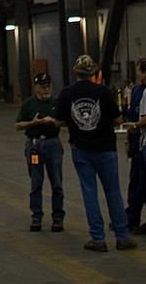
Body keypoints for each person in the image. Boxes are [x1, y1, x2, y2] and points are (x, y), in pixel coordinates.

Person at [54, 54, 136, 252]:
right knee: (113, 192)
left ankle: (98, 239)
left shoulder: (66, 93)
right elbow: (118, 120)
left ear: (76, 72)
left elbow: (58, 121)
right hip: (106, 149)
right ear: (93, 73)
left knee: (89, 193)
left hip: (81, 149)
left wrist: (75, 123)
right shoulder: (104, 92)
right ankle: (122, 237)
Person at [15, 71, 65, 231]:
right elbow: (18, 125)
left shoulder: (56, 103)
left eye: (48, 86)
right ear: (36, 87)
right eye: (43, 87)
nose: (46, 89)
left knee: (57, 183)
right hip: (35, 145)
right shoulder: (29, 104)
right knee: (36, 183)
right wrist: (33, 123)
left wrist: (55, 121)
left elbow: (66, 121)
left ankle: (58, 218)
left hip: (53, 144)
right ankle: (36, 217)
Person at [124, 59, 146, 233]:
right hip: (137, 142)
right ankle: (132, 217)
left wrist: (136, 125)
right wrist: (128, 140)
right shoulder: (137, 90)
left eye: (139, 71)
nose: (137, 74)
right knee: (136, 182)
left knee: (144, 183)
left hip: (143, 141)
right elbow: (132, 115)